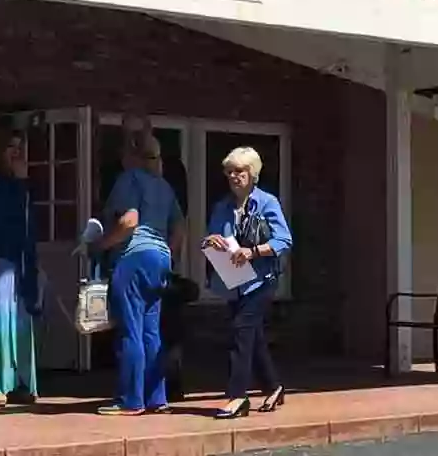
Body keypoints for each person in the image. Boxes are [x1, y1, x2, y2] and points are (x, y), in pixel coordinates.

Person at [94, 128, 184, 416]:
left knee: (129, 331)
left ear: (132, 155)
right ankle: (156, 398)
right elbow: (179, 228)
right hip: (160, 259)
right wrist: (169, 256)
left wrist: (101, 244)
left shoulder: (129, 179)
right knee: (151, 331)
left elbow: (129, 221)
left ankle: (130, 400)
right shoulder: (165, 187)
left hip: (132, 258)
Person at [203, 147, 293, 420]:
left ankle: (237, 396)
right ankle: (274, 386)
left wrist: (253, 251)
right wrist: (210, 241)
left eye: (239, 171)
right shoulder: (222, 206)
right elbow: (209, 239)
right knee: (253, 338)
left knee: (241, 332)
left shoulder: (267, 203)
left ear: (252, 174)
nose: (233, 176)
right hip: (234, 281)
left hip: (261, 281)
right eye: (229, 171)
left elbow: (284, 240)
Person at [0, 130, 40, 406]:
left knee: (20, 322)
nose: (17, 153)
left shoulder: (23, 185)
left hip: (22, 261)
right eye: (10, 147)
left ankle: (22, 382)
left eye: (21, 147)